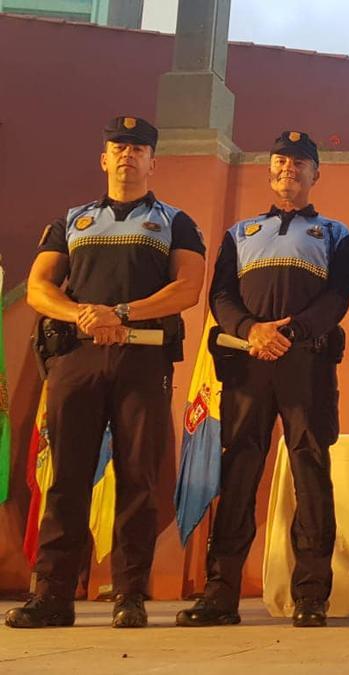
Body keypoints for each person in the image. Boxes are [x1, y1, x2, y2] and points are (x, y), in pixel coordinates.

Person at [6, 116, 206, 629]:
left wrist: (121, 315)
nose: (127, 155)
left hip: (143, 358)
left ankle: (130, 595)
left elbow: (187, 289)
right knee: (66, 477)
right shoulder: (72, 221)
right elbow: (39, 288)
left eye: (138, 148)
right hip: (77, 357)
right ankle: (52, 595)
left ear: (153, 161)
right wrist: (86, 316)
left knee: (139, 477)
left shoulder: (174, 222)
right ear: (103, 158)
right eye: (118, 147)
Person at [176, 131, 349, 629]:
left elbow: (339, 297)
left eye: (301, 162)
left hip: (309, 366)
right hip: (247, 364)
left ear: (316, 173)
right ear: (270, 170)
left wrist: (292, 333)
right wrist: (250, 330)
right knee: (237, 477)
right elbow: (221, 297)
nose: (290, 169)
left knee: (311, 475)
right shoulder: (239, 233)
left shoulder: (338, 234)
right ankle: (219, 595)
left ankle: (312, 596)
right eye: (281, 160)